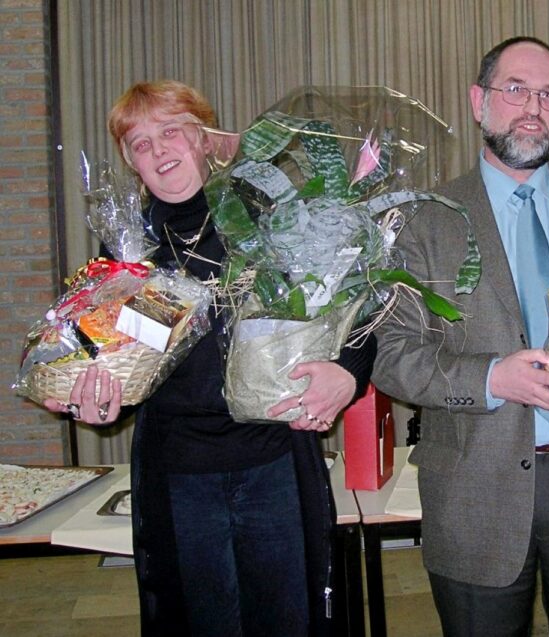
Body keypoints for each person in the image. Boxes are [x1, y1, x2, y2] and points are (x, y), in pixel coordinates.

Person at [44, 80, 376, 637]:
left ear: (205, 138)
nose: (159, 150)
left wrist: (346, 374)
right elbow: (119, 366)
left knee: (289, 621)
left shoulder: (273, 217)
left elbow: (357, 308)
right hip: (179, 474)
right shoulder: (126, 250)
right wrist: (96, 397)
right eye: (140, 143)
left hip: (274, 460)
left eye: (171, 131)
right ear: (130, 161)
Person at [371, 37, 549, 636]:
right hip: (476, 490)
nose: (533, 108)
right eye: (516, 89)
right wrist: (493, 377)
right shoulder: (422, 217)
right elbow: (392, 355)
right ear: (479, 102)